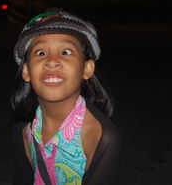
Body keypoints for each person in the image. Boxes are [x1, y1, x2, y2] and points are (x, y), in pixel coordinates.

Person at [11, 9, 121, 184]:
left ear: (87, 69)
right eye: (40, 53)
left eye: (66, 52)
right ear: (26, 71)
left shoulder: (99, 137)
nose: (52, 61)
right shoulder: (25, 129)